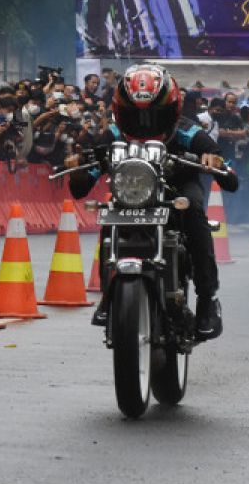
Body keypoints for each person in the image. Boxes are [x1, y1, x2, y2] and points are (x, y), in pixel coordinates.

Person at [64, 64, 239, 340]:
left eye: (154, 115)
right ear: (122, 112)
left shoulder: (188, 131)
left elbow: (226, 170)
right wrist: (76, 169)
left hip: (178, 188)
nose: (145, 123)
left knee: (194, 210)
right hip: (131, 191)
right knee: (110, 214)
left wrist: (214, 161)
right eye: (136, 115)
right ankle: (109, 296)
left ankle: (207, 300)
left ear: (171, 110)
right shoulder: (112, 134)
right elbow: (82, 185)